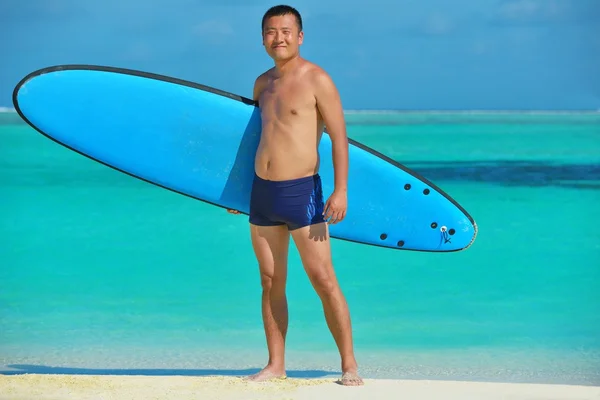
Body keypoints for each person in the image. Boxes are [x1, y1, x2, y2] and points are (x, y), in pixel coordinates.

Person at [227, 4, 363, 386]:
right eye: (271, 31)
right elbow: (255, 138)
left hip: (302, 191)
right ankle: (275, 365)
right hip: (262, 192)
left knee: (322, 278)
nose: (279, 37)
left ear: (300, 36)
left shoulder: (317, 79)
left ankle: (349, 364)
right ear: (263, 38)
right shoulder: (261, 84)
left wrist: (340, 190)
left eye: (286, 31)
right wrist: (238, 193)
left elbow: (339, 138)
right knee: (270, 280)